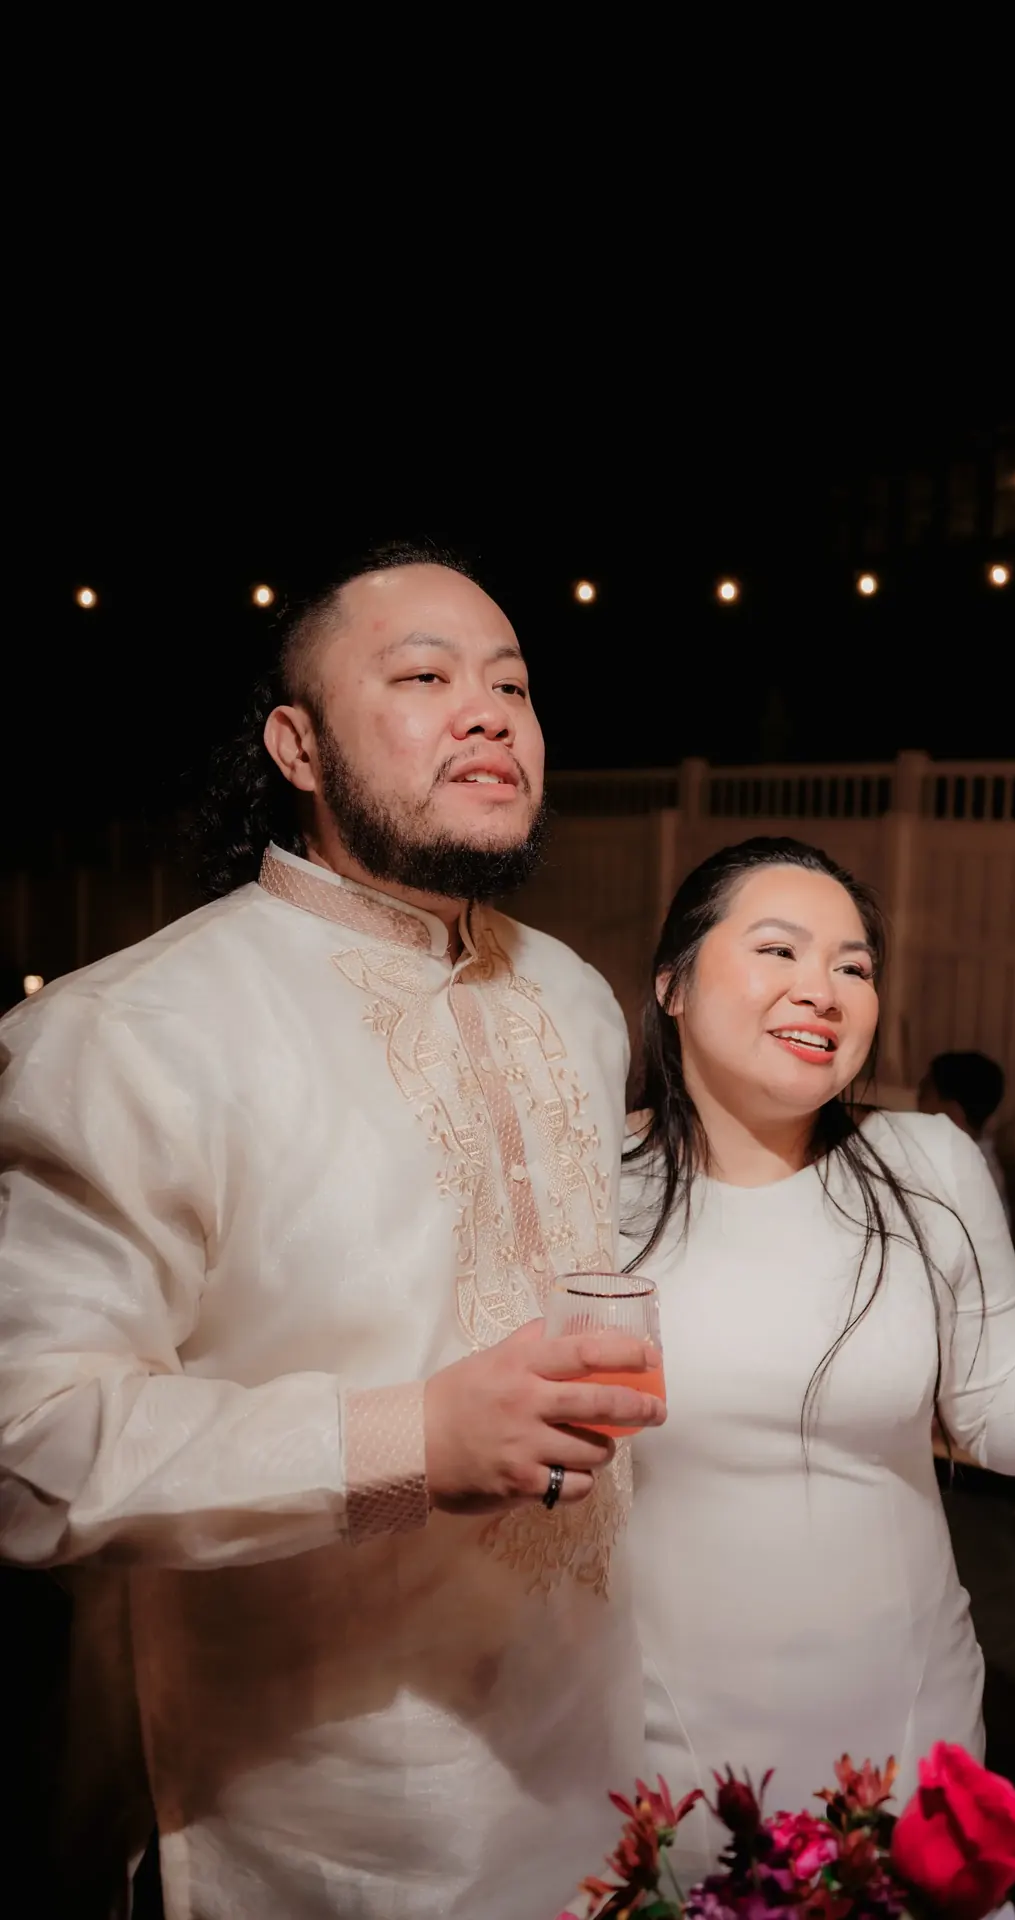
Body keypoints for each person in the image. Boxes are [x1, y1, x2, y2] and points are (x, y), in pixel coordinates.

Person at [0, 543, 666, 1920]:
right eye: (424, 676)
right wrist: (411, 1440)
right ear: (296, 745)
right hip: (318, 1818)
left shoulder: (579, 999)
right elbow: (30, 1449)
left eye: (513, 685)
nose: (489, 711)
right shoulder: (129, 1036)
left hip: (601, 1762)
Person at [619, 838, 1015, 1881]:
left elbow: (1002, 1428)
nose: (821, 990)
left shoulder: (925, 1164)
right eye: (778, 950)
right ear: (673, 986)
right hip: (661, 1734)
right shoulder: (591, 1191)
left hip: (901, 1713)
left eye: (853, 965)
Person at [918, 1051, 1010, 1223]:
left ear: (951, 1114)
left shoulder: (959, 1174)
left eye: (923, 1096)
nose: (916, 1110)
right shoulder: (981, 1164)